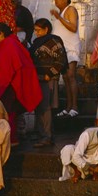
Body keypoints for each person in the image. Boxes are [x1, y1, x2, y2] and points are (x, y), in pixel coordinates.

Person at [0, 23, 41, 146]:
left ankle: (10, 139)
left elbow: (3, 69)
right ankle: (13, 138)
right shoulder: (14, 42)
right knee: (11, 113)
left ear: (1, 33)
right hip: (14, 83)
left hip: (8, 85)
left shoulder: (8, 44)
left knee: (8, 112)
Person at [29, 18, 67, 147]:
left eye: (39, 30)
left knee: (45, 108)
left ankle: (46, 136)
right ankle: (42, 134)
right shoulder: (36, 42)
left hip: (47, 79)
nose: (36, 33)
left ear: (46, 29)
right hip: (37, 79)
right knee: (40, 107)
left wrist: (49, 74)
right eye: (35, 30)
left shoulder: (53, 41)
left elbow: (60, 60)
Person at [51, 0, 80, 118]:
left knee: (71, 76)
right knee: (66, 78)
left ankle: (75, 107)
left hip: (71, 47)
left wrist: (59, 17)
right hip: (61, 49)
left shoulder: (70, 9)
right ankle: (68, 107)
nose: (55, 0)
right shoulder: (60, 13)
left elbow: (73, 28)